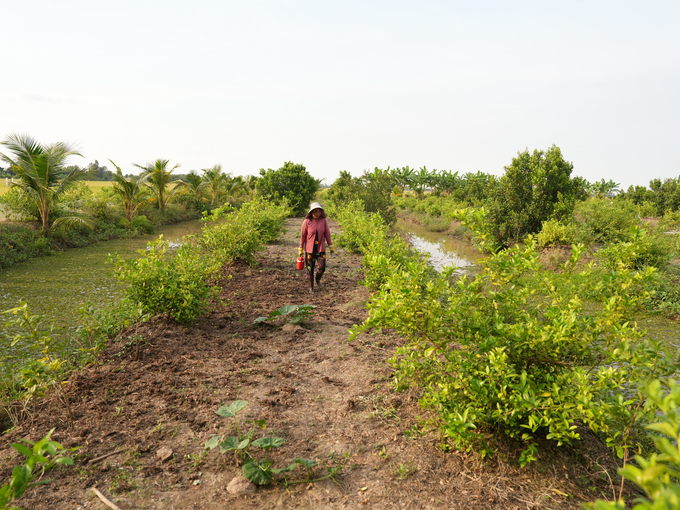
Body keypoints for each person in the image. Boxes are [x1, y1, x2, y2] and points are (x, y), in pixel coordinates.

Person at [299, 202, 334, 293]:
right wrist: (301, 249)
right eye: (315, 212)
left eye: (319, 211)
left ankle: (317, 280)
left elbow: (327, 234)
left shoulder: (323, 221)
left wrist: (331, 247)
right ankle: (311, 287)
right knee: (309, 269)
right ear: (311, 212)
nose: (317, 214)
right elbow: (303, 236)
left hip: (320, 249)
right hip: (310, 250)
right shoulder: (306, 222)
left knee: (322, 267)